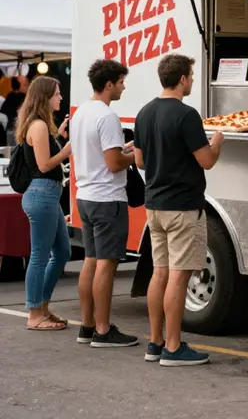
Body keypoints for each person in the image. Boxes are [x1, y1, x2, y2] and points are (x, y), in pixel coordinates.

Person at [133, 54, 223, 367]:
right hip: (183, 207)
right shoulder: (187, 115)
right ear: (182, 79)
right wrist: (217, 141)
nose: (193, 81)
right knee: (179, 277)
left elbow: (140, 161)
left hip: (154, 205)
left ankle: (155, 342)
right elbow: (206, 161)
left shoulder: (144, 113)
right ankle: (173, 347)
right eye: (192, 77)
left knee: (159, 273)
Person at [72, 58, 138, 348]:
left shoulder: (81, 112)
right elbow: (113, 164)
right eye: (122, 82)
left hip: (85, 195)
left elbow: (99, 154)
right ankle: (102, 329)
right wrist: (134, 155)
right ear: (109, 84)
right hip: (107, 198)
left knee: (90, 260)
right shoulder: (107, 116)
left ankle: (87, 326)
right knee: (106, 265)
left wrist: (123, 149)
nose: (124, 87)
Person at [17, 76, 73, 330]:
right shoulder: (38, 126)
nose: (61, 97)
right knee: (40, 255)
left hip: (47, 194)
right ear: (45, 97)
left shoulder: (41, 125)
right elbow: (44, 165)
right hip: (42, 194)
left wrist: (59, 136)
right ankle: (34, 313)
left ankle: (42, 306)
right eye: (57, 94)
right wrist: (66, 150)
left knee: (63, 252)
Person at [2, 75, 29, 143]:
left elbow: (3, 110)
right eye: (25, 85)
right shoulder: (22, 97)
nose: (28, 87)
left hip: (11, 128)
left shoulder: (10, 95)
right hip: (18, 129)